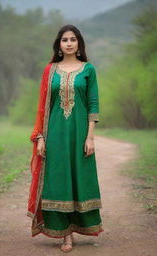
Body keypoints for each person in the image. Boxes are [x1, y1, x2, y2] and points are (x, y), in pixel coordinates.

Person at [27, 24, 103, 253]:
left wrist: (90, 137)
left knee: (79, 179)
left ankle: (79, 226)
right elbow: (42, 107)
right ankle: (65, 235)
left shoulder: (88, 70)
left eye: (73, 39)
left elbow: (93, 104)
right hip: (56, 135)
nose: (69, 43)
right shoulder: (50, 70)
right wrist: (40, 137)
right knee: (59, 181)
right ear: (59, 45)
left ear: (79, 43)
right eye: (64, 40)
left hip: (80, 134)